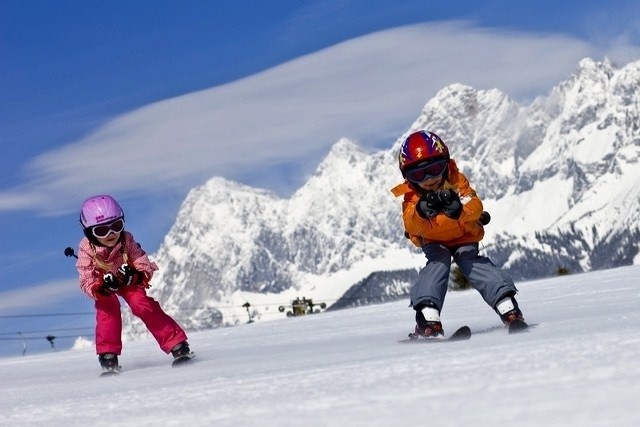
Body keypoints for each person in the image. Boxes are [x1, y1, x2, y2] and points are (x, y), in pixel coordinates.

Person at [390, 130, 525, 338]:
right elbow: (410, 224)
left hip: (464, 237)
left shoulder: (456, 180)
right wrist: (420, 212)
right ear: (407, 177)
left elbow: (475, 205)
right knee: (438, 265)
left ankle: (507, 306)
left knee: (471, 262)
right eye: (418, 174)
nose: (428, 180)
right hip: (435, 241)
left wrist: (461, 211)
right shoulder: (412, 196)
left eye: (434, 169)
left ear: (445, 164)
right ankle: (428, 317)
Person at [75, 195, 192, 371]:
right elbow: (85, 277)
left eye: (116, 226)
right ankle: (108, 353)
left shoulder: (126, 240)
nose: (110, 234)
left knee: (140, 303)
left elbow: (141, 260)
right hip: (103, 283)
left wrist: (136, 275)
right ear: (89, 232)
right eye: (101, 231)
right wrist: (101, 288)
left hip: (126, 275)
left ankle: (176, 342)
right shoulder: (86, 249)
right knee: (107, 307)